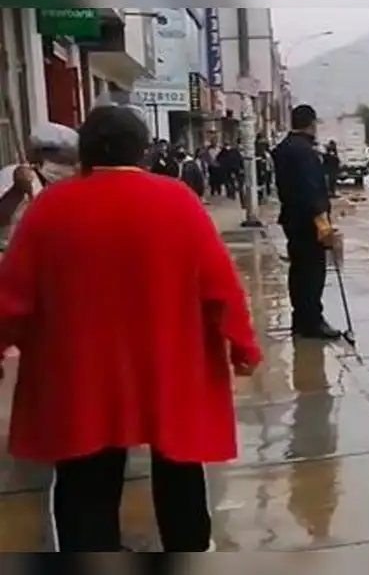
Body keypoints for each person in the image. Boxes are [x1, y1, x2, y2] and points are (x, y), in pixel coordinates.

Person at [0, 105, 261, 552]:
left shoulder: (52, 208)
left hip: (82, 376)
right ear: (143, 151)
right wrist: (243, 347)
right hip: (168, 367)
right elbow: (221, 288)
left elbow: (13, 297)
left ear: (84, 152)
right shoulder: (177, 201)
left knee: (85, 479)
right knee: (179, 468)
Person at [273, 104, 343, 340]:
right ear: (312, 124)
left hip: (291, 218)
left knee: (299, 270)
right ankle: (313, 321)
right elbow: (310, 188)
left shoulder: (283, 149)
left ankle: (300, 319)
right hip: (308, 221)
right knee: (313, 272)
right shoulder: (305, 152)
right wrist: (322, 221)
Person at [0, 121, 79, 243]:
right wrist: (16, 192)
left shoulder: (70, 186)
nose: (65, 164)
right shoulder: (13, 175)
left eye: (69, 159)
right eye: (59, 157)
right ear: (38, 155)